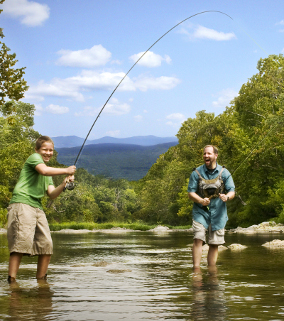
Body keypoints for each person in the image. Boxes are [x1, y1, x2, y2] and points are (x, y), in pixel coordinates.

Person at [7, 136, 76, 282]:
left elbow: (51, 194)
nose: (48, 153)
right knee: (20, 244)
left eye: (51, 150)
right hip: (22, 203)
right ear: (37, 150)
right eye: (45, 149)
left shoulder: (48, 173)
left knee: (46, 245)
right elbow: (43, 171)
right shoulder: (34, 158)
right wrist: (66, 170)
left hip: (37, 206)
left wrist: (64, 183)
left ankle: (41, 281)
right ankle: (11, 281)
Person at [187, 145, 235, 269]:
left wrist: (227, 197)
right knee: (198, 238)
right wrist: (200, 200)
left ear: (215, 155)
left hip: (219, 213)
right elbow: (190, 193)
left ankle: (211, 272)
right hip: (200, 211)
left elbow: (232, 191)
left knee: (214, 244)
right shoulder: (196, 173)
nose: (206, 156)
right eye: (204, 154)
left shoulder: (224, 172)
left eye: (208, 154)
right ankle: (196, 271)